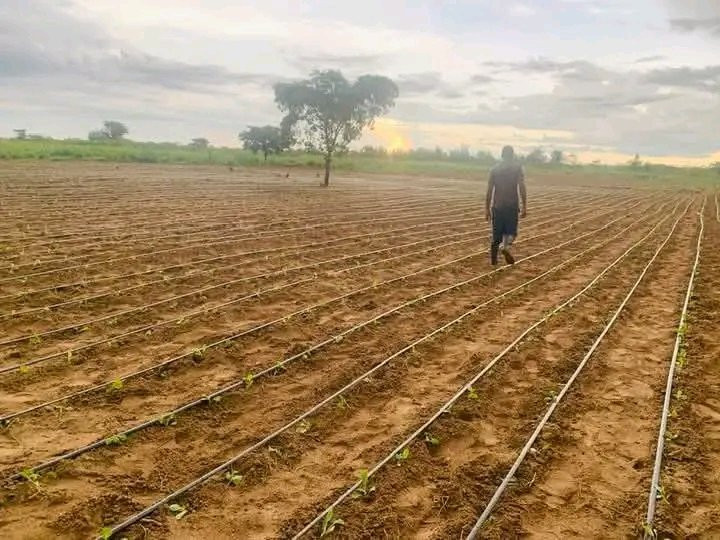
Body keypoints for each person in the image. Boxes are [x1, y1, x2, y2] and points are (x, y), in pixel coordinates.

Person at [485, 145, 527, 266]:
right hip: (511, 205)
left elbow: (489, 190)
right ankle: (505, 247)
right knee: (511, 233)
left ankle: (493, 263)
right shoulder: (517, 168)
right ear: (512, 155)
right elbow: (522, 186)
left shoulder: (494, 169)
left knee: (496, 236)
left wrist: (487, 209)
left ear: (502, 155)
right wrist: (524, 205)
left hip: (497, 206)